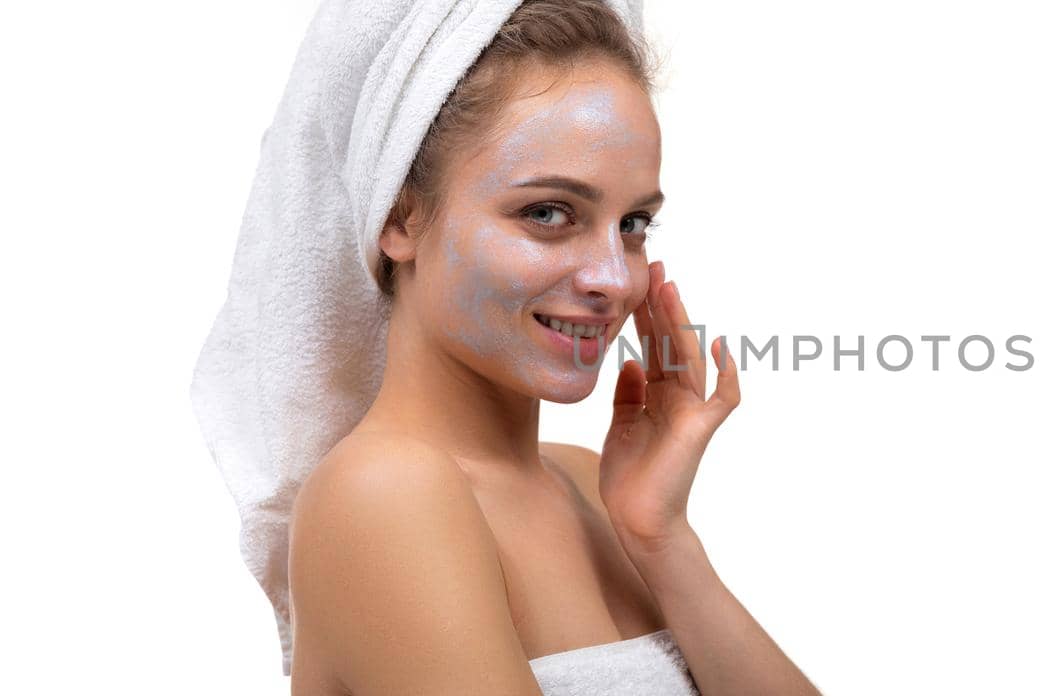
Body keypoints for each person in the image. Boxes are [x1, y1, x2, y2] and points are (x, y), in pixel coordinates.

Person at [280, 1, 821, 693]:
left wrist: (663, 539)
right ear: (399, 215)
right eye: (547, 213)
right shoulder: (383, 494)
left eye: (631, 223)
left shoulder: (592, 484)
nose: (613, 278)